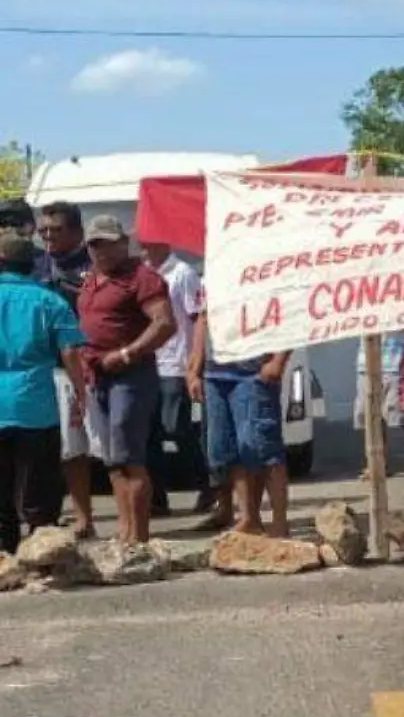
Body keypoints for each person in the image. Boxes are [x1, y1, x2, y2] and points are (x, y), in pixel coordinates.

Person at [73, 216, 174, 545]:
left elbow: (164, 324)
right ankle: (124, 531)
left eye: (108, 242)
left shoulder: (142, 278)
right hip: (96, 375)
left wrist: (128, 353)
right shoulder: (91, 280)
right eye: (95, 244)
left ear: (123, 242)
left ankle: (139, 538)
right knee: (113, 460)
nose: (102, 250)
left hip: (130, 375)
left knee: (130, 457)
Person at [0, 233, 86, 555]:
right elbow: (70, 352)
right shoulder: (50, 300)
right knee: (39, 489)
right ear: (32, 263)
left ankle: (3, 556)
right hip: (36, 405)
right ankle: (41, 555)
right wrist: (81, 391)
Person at [188, 312, 292, 537]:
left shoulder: (265, 277)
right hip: (216, 373)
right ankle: (249, 519)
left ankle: (280, 523)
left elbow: (289, 311)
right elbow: (203, 318)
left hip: (254, 372)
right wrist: (194, 369)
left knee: (264, 447)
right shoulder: (216, 278)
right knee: (229, 448)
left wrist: (279, 360)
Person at [34, 201, 100, 538]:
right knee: (45, 449)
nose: (47, 236)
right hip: (40, 371)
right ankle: (45, 517)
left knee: (78, 451)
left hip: (80, 367)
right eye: (43, 230)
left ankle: (85, 518)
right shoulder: (33, 265)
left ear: (76, 231)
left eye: (56, 230)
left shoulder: (92, 265)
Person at [142, 241, 212, 518]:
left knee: (176, 427)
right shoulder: (143, 274)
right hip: (149, 364)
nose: (143, 251)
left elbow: (197, 318)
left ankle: (208, 483)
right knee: (150, 434)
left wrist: (195, 361)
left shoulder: (182, 273)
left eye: (147, 246)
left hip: (175, 362)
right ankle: (157, 498)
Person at [354, 333, 404, 479]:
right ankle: (377, 465)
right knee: (370, 416)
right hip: (365, 364)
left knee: (401, 415)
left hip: (394, 362)